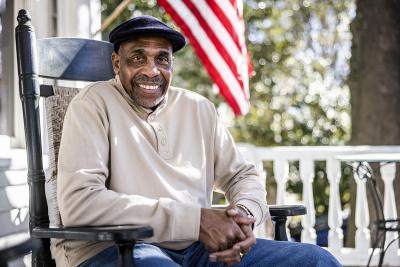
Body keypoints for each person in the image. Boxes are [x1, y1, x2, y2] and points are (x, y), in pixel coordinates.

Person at [56, 15, 342, 267]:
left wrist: (241, 218)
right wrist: (196, 221)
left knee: (318, 261)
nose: (151, 71)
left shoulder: (198, 108)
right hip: (117, 249)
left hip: (198, 250)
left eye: (162, 59)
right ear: (117, 63)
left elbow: (242, 176)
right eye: (137, 58)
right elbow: (81, 202)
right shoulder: (92, 105)